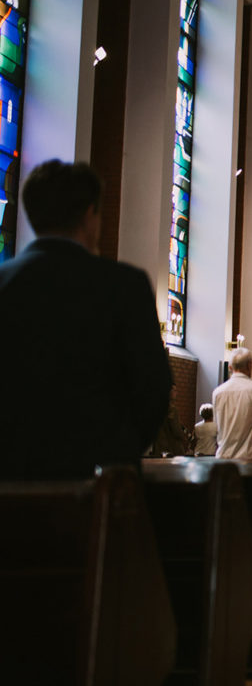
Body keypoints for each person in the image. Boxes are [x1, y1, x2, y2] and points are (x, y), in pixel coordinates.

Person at [0, 160, 172, 478]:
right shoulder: (124, 286)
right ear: (90, 215)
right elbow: (154, 388)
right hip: (97, 487)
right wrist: (117, 454)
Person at [213, 348, 252, 459]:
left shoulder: (218, 392)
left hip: (224, 456)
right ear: (249, 365)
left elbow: (217, 425)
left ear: (230, 367)